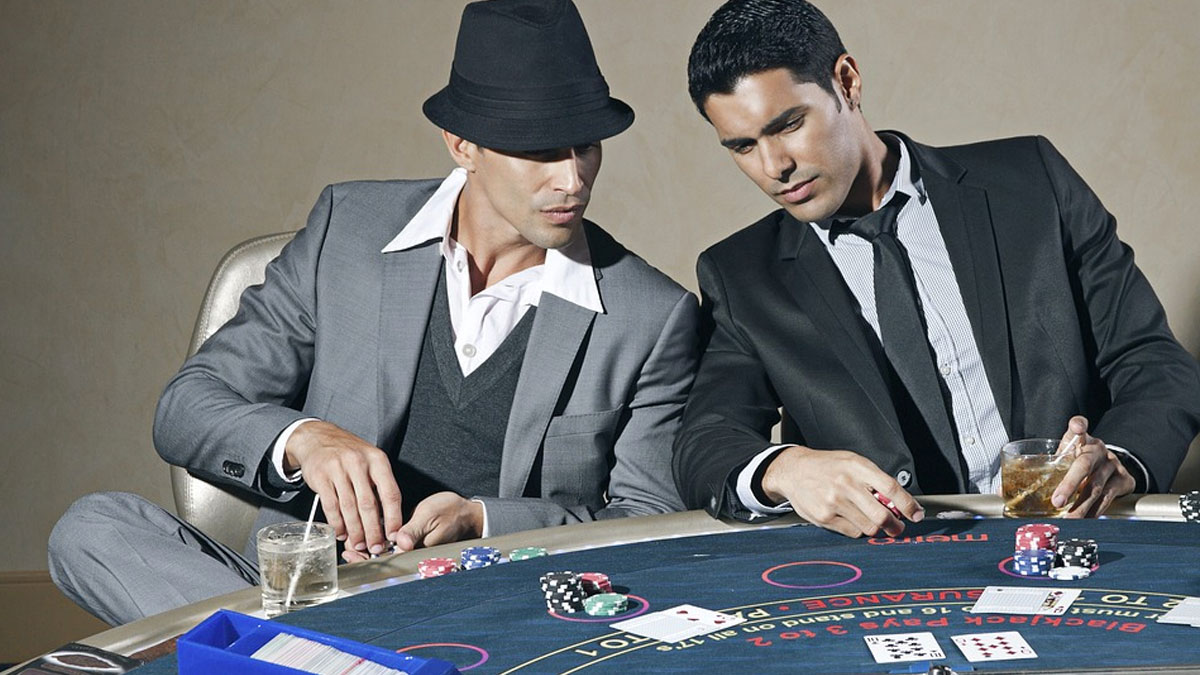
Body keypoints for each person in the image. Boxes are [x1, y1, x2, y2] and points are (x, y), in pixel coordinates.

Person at [49, 0, 698, 626]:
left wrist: (484, 519)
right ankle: (297, 653)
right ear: (461, 143)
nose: (572, 179)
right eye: (540, 151)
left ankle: (280, 658)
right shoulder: (347, 231)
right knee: (93, 527)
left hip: (494, 612)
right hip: (300, 595)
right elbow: (187, 406)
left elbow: (651, 523)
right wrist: (304, 439)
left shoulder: (649, 314)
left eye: (586, 146)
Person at [673, 0, 1200, 539]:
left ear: (847, 82)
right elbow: (705, 442)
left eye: (788, 125)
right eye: (743, 146)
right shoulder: (741, 275)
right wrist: (785, 469)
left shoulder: (1031, 185)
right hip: (887, 568)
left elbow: (1154, 361)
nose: (774, 167)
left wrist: (1119, 459)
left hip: (1071, 539)